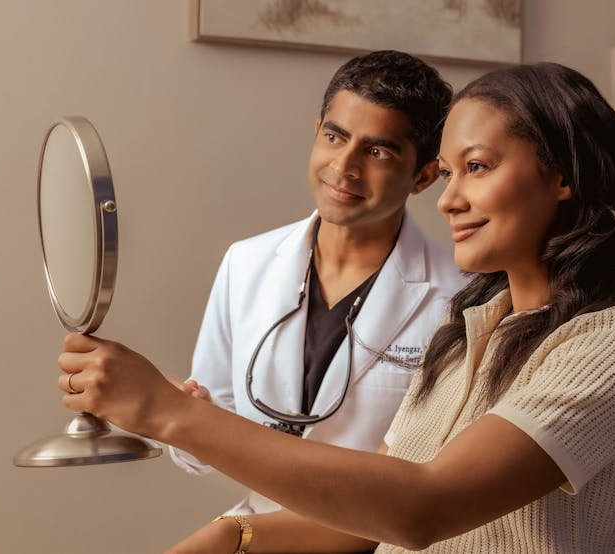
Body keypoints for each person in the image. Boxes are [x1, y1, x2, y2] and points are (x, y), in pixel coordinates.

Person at [57, 62, 615, 553]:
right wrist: (234, 537)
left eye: (478, 167)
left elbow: (422, 507)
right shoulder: (468, 332)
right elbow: (368, 521)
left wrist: (169, 414)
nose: (448, 201)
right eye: (453, 174)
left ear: (562, 176)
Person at [167, 49, 466, 520]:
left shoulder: (461, 298)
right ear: (316, 133)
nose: (344, 166)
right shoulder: (246, 263)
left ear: (424, 176)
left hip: (381, 543)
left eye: (377, 151)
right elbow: (202, 449)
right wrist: (184, 416)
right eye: (335, 137)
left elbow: (434, 479)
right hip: (259, 531)